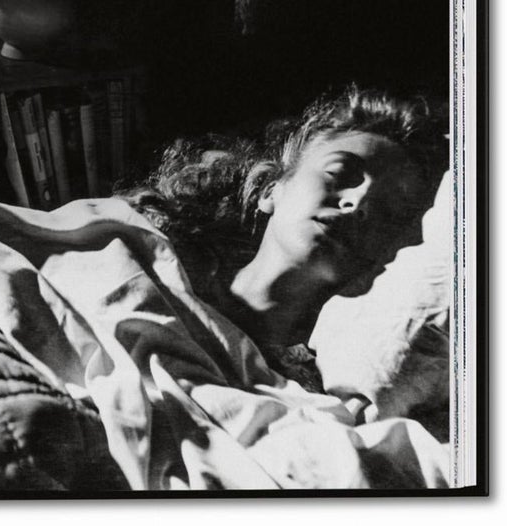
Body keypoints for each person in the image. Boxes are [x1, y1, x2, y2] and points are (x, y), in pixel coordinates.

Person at [123, 84, 446, 387]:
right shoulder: (149, 269)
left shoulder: (330, 379)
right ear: (271, 190)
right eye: (340, 173)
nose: (357, 202)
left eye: (386, 209)